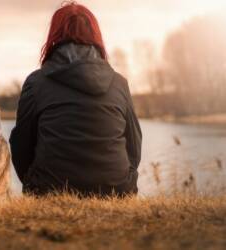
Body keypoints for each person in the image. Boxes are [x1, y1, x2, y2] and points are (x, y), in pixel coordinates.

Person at [9, 2, 142, 197]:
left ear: (54, 35)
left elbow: (21, 145)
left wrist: (33, 183)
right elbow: (134, 146)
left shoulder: (36, 83)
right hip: (116, 191)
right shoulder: (119, 83)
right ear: (95, 35)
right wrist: (123, 182)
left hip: (49, 191)